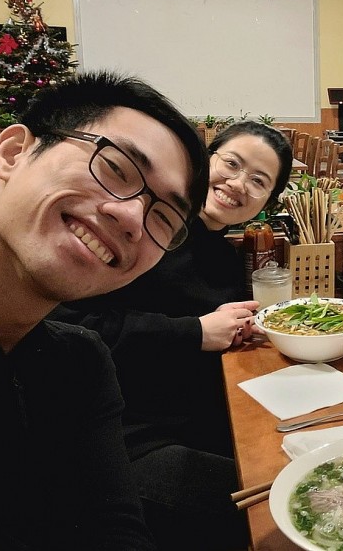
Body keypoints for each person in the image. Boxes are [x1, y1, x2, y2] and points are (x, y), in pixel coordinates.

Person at [0, 70, 209, 550]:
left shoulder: (76, 364)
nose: (131, 217)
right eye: (115, 168)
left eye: (164, 218)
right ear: (11, 153)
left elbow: (117, 529)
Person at [49, 120, 293, 550]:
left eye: (258, 181)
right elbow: (71, 326)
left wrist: (234, 328)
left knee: (299, 459)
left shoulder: (220, 252)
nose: (237, 183)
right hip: (123, 438)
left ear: (267, 202)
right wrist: (195, 332)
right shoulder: (143, 229)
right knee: (285, 506)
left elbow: (204, 327)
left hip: (196, 420)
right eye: (231, 164)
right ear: (205, 160)